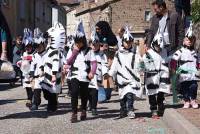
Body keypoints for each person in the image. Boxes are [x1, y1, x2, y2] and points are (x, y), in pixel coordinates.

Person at [104, 27, 142, 119]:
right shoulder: (118, 54)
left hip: (131, 78)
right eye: (126, 42)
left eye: (129, 42)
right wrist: (109, 74)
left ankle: (130, 110)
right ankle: (123, 109)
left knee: (130, 95)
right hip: (121, 79)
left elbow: (139, 63)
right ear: (123, 42)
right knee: (122, 97)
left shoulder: (135, 53)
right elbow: (114, 66)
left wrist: (141, 70)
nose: (128, 44)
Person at [64, 21, 97, 123]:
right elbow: (68, 62)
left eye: (80, 42)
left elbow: (94, 62)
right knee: (74, 93)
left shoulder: (89, 51)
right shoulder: (72, 49)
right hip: (74, 75)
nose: (78, 44)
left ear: (83, 41)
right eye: (76, 42)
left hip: (85, 76)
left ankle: (83, 110)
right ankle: (74, 113)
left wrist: (92, 72)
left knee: (84, 94)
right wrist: (75, 51)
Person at [142, 32, 170, 118]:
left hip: (162, 76)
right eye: (158, 47)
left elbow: (166, 62)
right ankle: (153, 109)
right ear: (154, 44)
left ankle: (160, 105)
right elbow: (143, 63)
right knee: (152, 94)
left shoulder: (164, 52)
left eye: (160, 47)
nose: (159, 49)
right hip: (152, 77)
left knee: (161, 92)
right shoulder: (148, 53)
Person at [171, 24, 199, 109]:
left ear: (193, 41)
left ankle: (193, 100)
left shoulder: (196, 52)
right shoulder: (180, 51)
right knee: (184, 88)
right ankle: (186, 101)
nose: (189, 41)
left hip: (193, 74)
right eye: (187, 40)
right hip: (183, 74)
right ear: (184, 41)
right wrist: (174, 70)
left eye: (191, 40)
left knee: (194, 86)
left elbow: (198, 62)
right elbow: (173, 60)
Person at [40, 22, 66, 113]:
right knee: (46, 91)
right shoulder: (48, 49)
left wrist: (54, 75)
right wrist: (42, 69)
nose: (48, 40)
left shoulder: (56, 51)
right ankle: (52, 103)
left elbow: (55, 63)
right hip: (46, 74)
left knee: (52, 91)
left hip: (53, 74)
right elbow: (44, 59)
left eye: (50, 39)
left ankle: (52, 107)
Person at [88, 31, 108, 115]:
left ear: (99, 45)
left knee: (95, 92)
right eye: (92, 44)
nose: (94, 46)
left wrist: (105, 73)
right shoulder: (87, 53)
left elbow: (104, 65)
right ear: (90, 45)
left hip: (98, 76)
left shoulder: (102, 55)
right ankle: (90, 104)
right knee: (89, 92)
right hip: (89, 76)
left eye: (96, 44)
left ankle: (94, 108)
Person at [29, 28, 46, 111]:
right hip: (38, 76)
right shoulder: (35, 55)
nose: (38, 48)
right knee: (36, 90)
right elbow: (32, 65)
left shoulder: (48, 54)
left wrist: (45, 71)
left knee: (47, 94)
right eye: (36, 46)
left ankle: (52, 103)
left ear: (43, 45)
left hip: (47, 76)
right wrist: (31, 75)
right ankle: (35, 103)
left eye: (39, 46)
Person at [17, 28, 34, 107]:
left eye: (29, 46)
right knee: (27, 87)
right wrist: (19, 63)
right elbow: (21, 60)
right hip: (25, 74)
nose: (27, 48)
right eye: (26, 47)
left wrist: (28, 58)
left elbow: (34, 59)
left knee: (33, 88)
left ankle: (33, 100)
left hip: (33, 74)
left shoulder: (35, 53)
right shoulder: (24, 53)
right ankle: (30, 100)